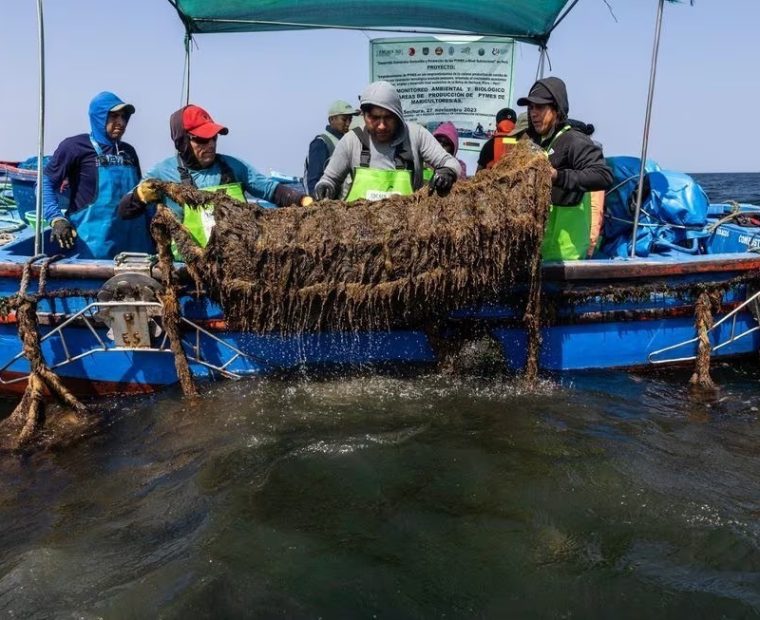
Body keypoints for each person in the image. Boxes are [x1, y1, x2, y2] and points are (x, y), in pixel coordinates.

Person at [119, 104, 311, 248]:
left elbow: (271, 190)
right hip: (184, 270)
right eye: (202, 139)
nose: (210, 144)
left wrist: (304, 200)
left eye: (214, 137)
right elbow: (124, 211)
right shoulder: (163, 173)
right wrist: (140, 196)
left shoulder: (233, 167)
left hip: (236, 266)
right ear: (183, 142)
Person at [43, 91, 151, 259]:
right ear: (99, 117)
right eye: (114, 116)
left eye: (124, 117)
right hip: (92, 250)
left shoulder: (129, 152)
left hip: (134, 249)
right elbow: (45, 183)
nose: (121, 123)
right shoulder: (74, 147)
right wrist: (55, 218)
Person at [313, 81, 461, 202]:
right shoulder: (351, 141)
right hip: (357, 232)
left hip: (407, 231)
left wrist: (447, 172)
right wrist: (325, 187)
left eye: (388, 118)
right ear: (363, 115)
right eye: (374, 118)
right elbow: (329, 179)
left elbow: (451, 163)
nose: (382, 125)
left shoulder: (416, 135)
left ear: (398, 116)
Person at [516, 77, 612, 260]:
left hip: (567, 254)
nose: (533, 113)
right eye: (530, 108)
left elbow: (603, 175)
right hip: (539, 250)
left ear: (557, 110)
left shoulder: (573, 140)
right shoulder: (534, 142)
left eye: (540, 107)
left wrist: (558, 176)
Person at [304, 100, 358, 196]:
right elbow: (314, 181)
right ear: (332, 120)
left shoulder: (348, 142)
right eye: (344, 119)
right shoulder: (321, 143)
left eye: (350, 119)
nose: (348, 123)